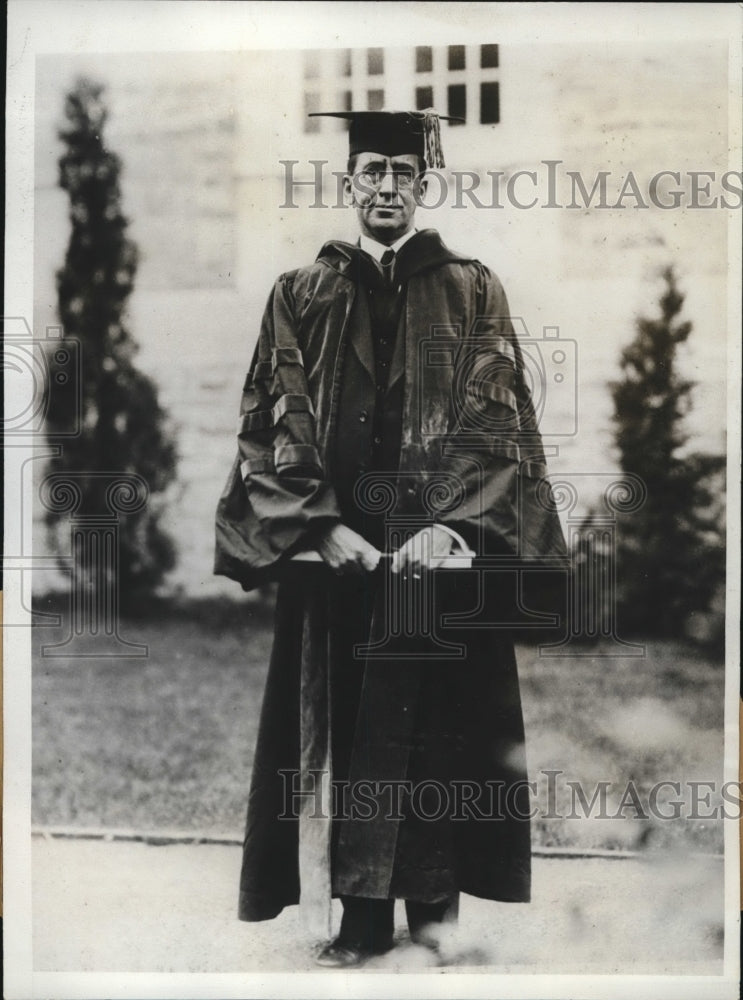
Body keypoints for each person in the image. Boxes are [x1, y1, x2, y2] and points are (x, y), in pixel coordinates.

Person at [214, 109, 567, 967]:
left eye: (400, 173)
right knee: (340, 725)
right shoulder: (299, 292)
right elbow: (270, 425)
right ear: (347, 181)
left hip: (432, 559)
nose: (384, 186)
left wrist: (452, 529)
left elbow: (500, 426)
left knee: (436, 724)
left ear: (423, 183)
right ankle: (360, 913)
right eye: (369, 169)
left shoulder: (473, 289)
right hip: (337, 559)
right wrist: (318, 526)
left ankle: (432, 906)